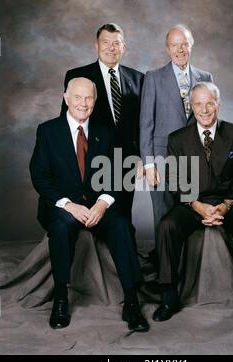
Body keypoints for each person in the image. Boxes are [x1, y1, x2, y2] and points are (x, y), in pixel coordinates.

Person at [30, 77, 149, 332]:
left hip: (98, 205)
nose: (83, 104)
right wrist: (68, 205)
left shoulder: (106, 131)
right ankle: (61, 297)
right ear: (66, 99)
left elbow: (117, 173)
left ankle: (131, 301)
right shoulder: (48, 130)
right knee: (61, 228)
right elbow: (40, 176)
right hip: (64, 205)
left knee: (122, 227)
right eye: (77, 97)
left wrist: (103, 203)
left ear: (95, 102)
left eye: (89, 98)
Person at [152, 82, 233, 323]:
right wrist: (196, 205)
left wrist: (226, 204)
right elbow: (174, 179)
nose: (204, 110)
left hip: (230, 201)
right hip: (192, 202)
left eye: (209, 103)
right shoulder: (177, 139)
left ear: (218, 104)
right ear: (191, 107)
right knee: (166, 226)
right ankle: (168, 295)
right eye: (198, 104)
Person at [61, 23, 144, 222]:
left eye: (117, 43)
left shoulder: (138, 78)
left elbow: (143, 122)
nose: (111, 48)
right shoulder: (78, 76)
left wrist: (142, 157)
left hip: (127, 159)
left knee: (122, 215)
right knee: (91, 212)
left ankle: (124, 250)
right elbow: (66, 120)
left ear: (124, 47)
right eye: (105, 42)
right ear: (96, 46)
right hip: (92, 157)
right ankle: (95, 253)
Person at [139, 24, 213, 234]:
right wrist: (149, 164)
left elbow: (210, 122)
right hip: (161, 159)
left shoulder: (205, 78)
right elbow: (146, 124)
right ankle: (165, 264)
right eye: (175, 45)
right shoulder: (153, 77)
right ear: (167, 48)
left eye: (184, 44)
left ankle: (188, 262)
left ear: (192, 46)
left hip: (195, 159)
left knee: (191, 212)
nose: (180, 50)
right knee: (163, 216)